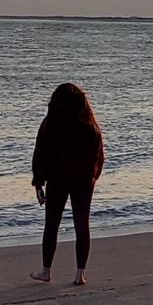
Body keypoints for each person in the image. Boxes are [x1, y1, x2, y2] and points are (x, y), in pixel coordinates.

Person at [31, 82, 105, 285]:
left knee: (52, 224)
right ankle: (79, 273)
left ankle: (46, 271)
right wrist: (93, 176)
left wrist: (38, 184)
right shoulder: (90, 126)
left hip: (57, 178)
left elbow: (40, 155)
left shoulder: (50, 124)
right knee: (82, 225)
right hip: (83, 180)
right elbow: (98, 156)